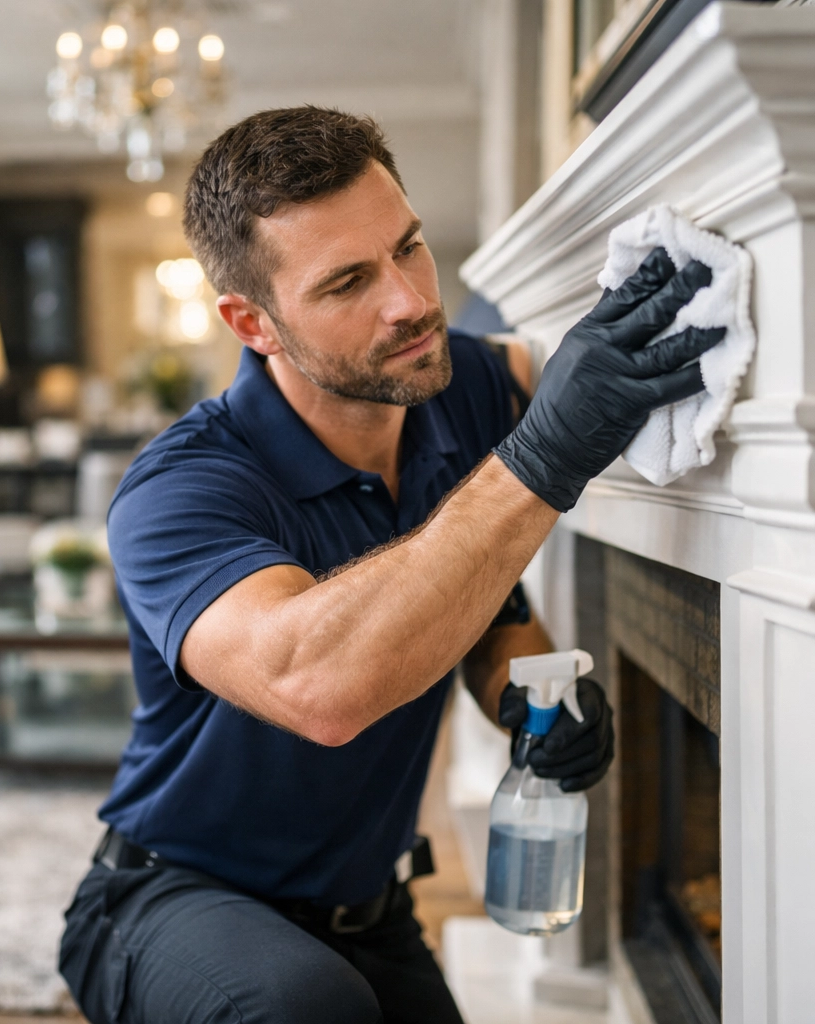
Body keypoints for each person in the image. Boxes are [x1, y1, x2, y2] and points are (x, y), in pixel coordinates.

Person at [59, 107, 722, 1023]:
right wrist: (545, 455)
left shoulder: (463, 389)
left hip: (369, 911)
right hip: (172, 897)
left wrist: (529, 701)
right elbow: (317, 686)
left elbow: (478, 606)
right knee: (304, 1006)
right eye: (347, 282)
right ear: (253, 322)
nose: (410, 301)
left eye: (408, 247)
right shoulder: (177, 491)